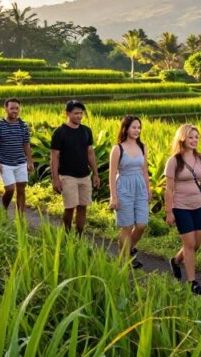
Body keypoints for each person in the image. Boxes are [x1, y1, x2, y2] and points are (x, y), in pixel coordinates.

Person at [163, 124, 201, 295]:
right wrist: (169, 211)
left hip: (198, 205)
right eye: (191, 137)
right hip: (180, 206)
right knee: (190, 244)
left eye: (196, 137)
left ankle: (176, 261)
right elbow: (169, 189)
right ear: (182, 138)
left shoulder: (200, 158)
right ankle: (193, 281)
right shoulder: (174, 161)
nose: (194, 140)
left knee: (196, 244)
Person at [51, 100, 101, 235]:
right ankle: (67, 234)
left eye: (81, 113)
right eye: (75, 113)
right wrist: (55, 179)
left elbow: (90, 152)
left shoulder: (86, 131)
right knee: (70, 207)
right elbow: (54, 156)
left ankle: (79, 235)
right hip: (67, 175)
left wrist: (95, 173)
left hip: (84, 175)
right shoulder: (60, 132)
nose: (79, 116)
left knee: (82, 206)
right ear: (67, 113)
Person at [109, 115, 152, 268]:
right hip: (124, 188)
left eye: (139, 127)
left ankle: (128, 250)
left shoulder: (143, 147)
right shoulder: (117, 148)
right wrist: (113, 197)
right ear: (125, 129)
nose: (137, 130)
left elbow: (145, 171)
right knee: (126, 226)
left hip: (140, 187)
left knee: (141, 224)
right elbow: (112, 174)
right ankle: (125, 259)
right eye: (134, 127)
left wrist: (148, 190)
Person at [0, 98, 34, 218]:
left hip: (20, 162)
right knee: (9, 189)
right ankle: (4, 208)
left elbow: (26, 144)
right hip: (5, 163)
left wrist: (29, 161)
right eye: (12, 108)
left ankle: (20, 217)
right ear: (6, 109)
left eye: (17, 108)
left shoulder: (23, 125)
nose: (14, 111)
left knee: (21, 189)